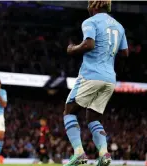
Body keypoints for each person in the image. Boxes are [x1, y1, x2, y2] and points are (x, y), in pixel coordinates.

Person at [64, 1, 128, 166]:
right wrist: (112, 68)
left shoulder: (90, 21)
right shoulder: (119, 26)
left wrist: (73, 49)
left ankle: (79, 153)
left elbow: (89, 44)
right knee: (93, 117)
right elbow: (125, 53)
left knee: (69, 110)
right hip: (109, 79)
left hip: (91, 74)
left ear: (94, 6)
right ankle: (104, 154)